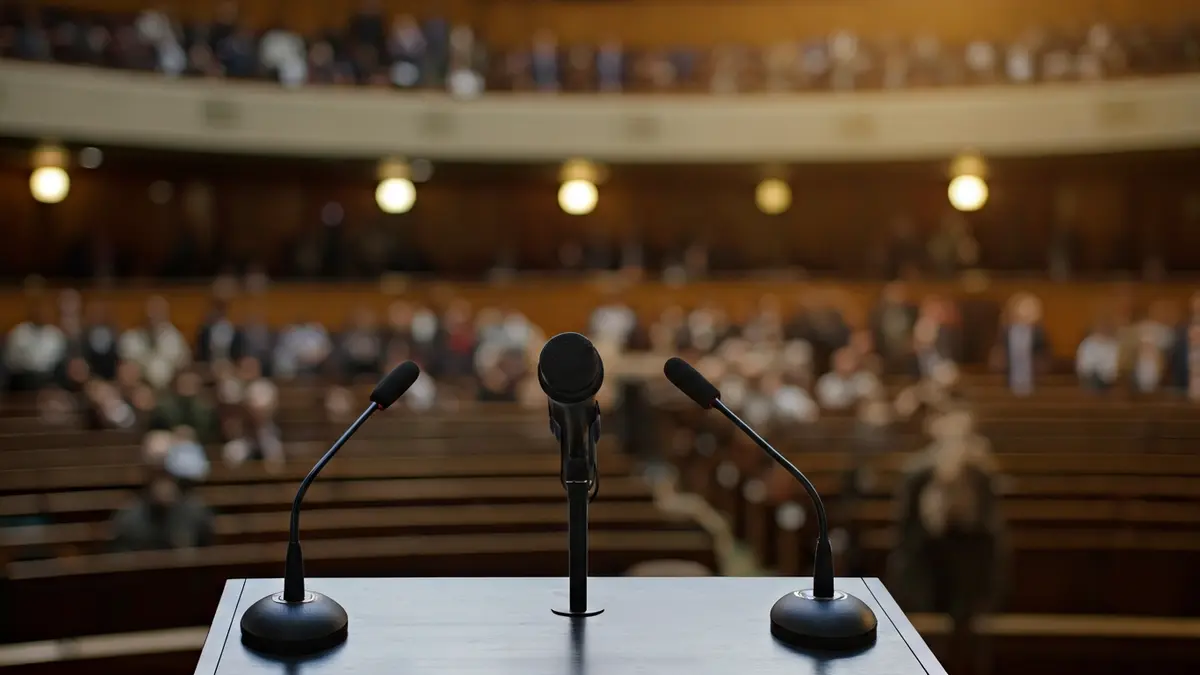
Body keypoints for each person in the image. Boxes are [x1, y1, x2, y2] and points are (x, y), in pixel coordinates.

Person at [889, 407, 1006, 675]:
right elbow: (907, 543)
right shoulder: (918, 476)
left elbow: (992, 544)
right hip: (931, 586)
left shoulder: (980, 477)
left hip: (966, 592)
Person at [111, 469, 214, 552]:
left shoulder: (194, 511)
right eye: (160, 480)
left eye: (167, 480)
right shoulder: (130, 517)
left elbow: (208, 548)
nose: (164, 488)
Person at [119, 296, 190, 390]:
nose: (154, 316)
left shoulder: (175, 337)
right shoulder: (130, 338)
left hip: (170, 388)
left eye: (159, 312)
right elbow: (127, 369)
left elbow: (184, 365)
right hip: (140, 389)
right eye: (151, 313)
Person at [990, 293, 1049, 396]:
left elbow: (1045, 359)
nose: (1027, 312)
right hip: (1006, 387)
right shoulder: (1004, 333)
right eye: (1024, 307)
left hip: (1035, 387)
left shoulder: (1040, 335)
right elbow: (996, 359)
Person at [4, 301, 66, 391]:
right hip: (23, 377)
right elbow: (11, 360)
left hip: (48, 377)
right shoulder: (19, 332)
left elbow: (59, 360)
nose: (42, 315)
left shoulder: (55, 334)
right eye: (39, 313)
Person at [1076, 319, 1121, 391]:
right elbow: (1083, 366)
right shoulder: (1087, 344)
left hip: (1109, 382)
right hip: (1089, 380)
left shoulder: (1113, 345)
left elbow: (1114, 367)